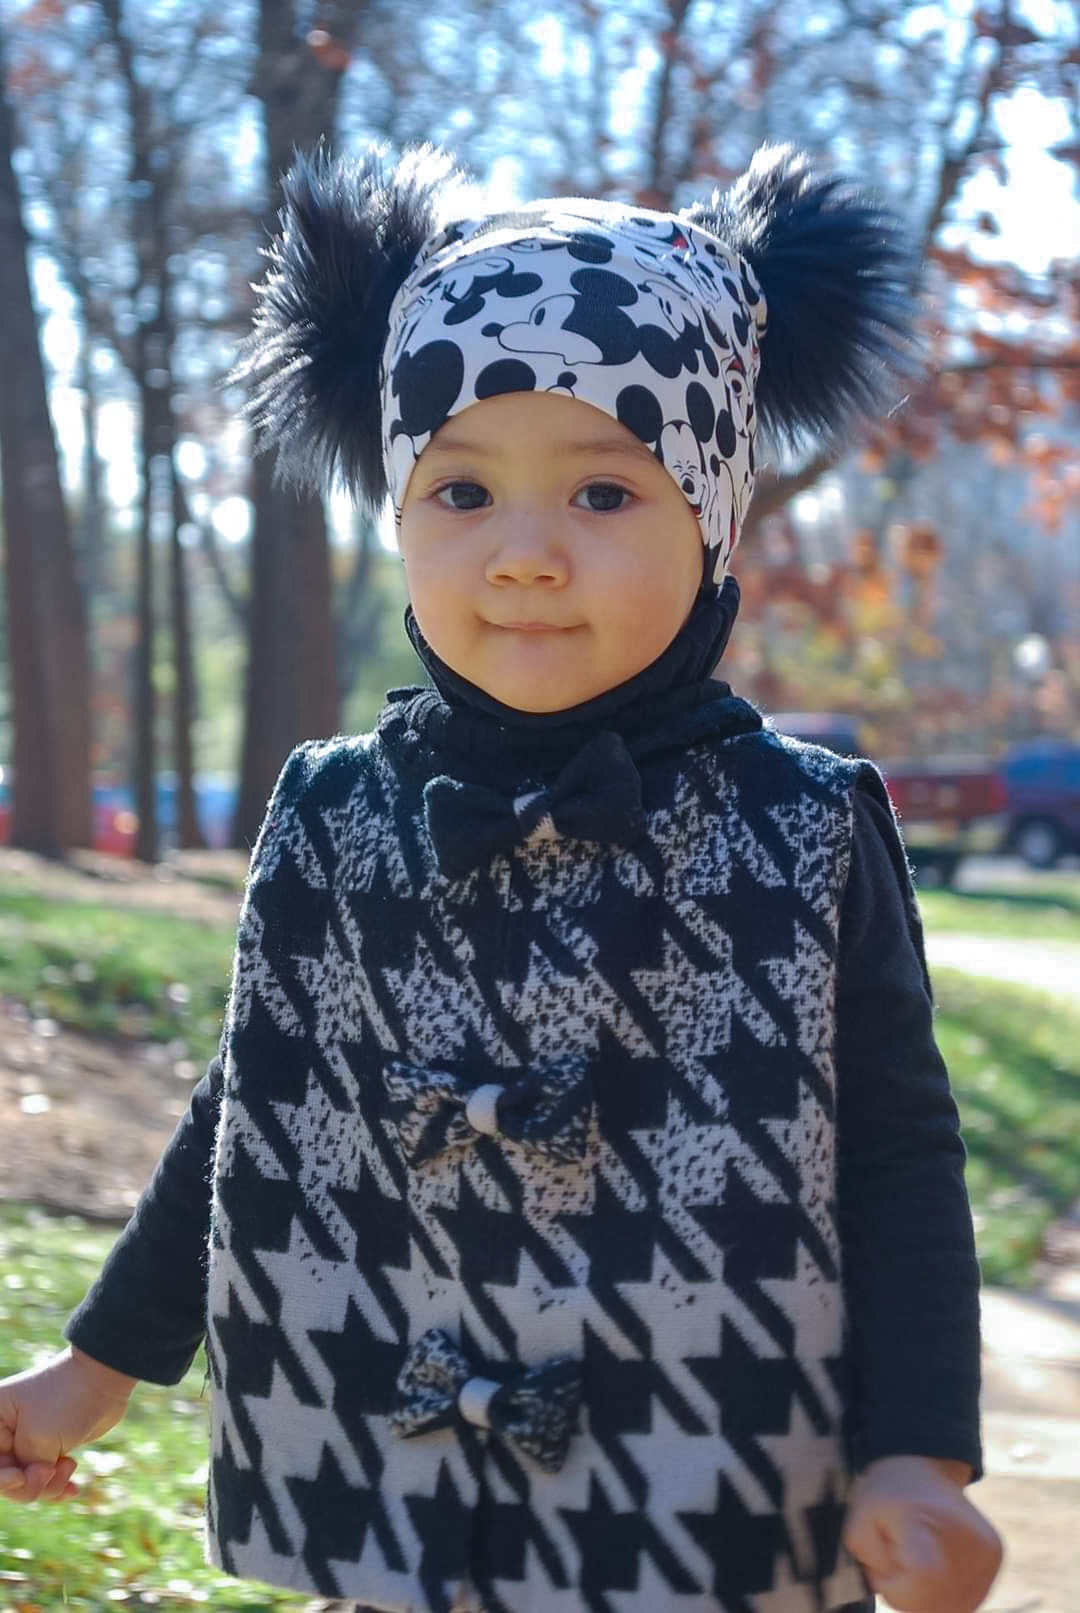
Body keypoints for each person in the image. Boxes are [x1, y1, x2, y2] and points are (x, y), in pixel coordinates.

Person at [0, 143, 1003, 1613]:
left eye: (604, 495)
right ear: (400, 512)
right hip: (398, 1504)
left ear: (712, 519)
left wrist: (921, 1457)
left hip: (706, 1492)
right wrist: (99, 1366)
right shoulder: (333, 816)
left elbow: (902, 1159)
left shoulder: (807, 828)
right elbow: (252, 1109)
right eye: (462, 490)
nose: (525, 557)